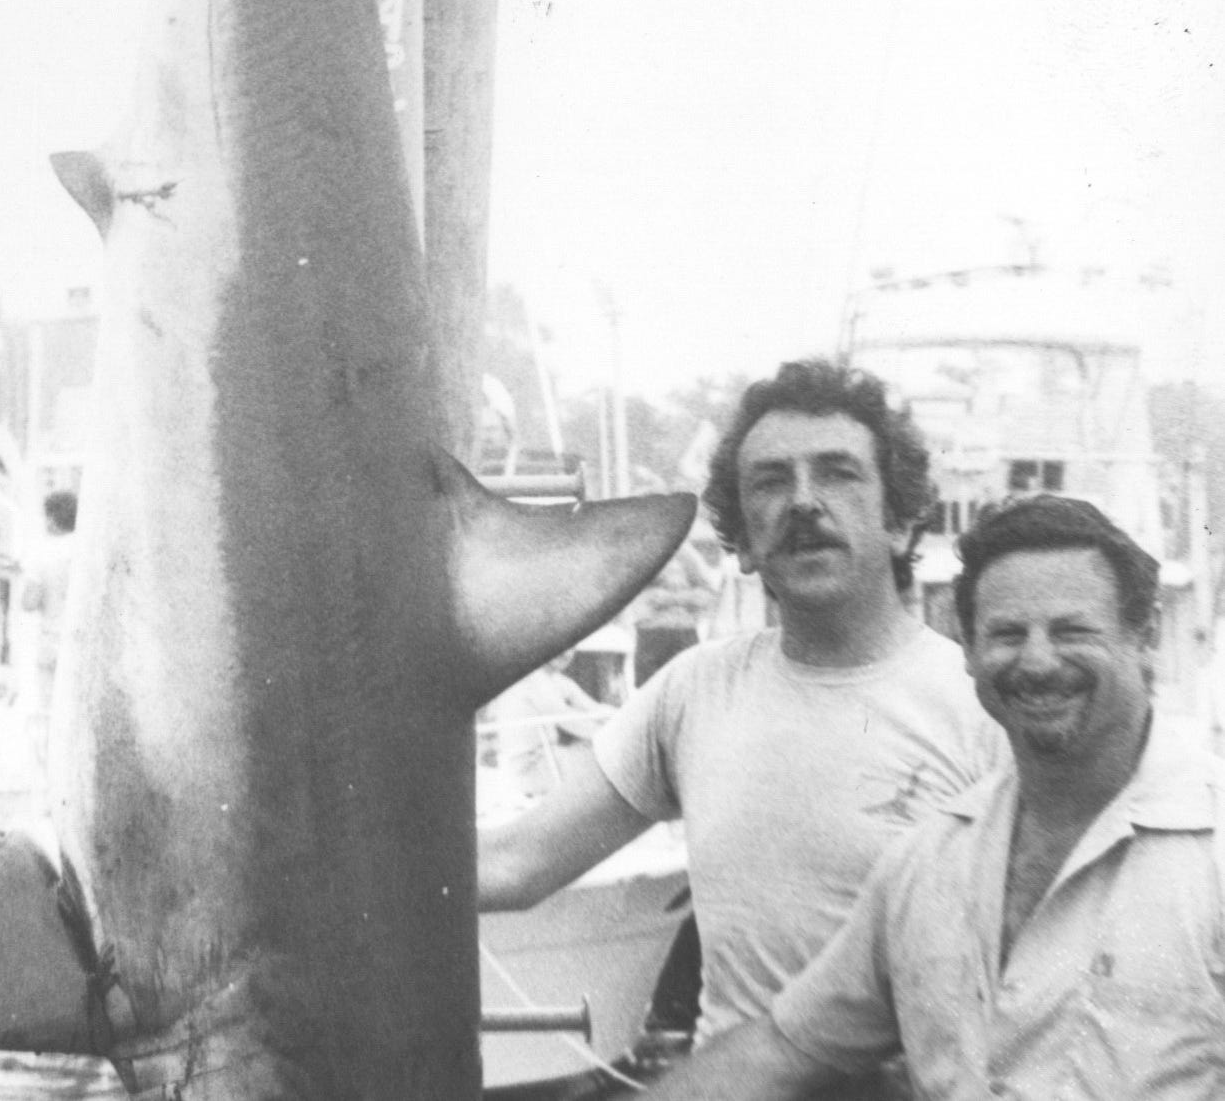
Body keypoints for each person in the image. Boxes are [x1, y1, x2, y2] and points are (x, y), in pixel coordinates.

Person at [478, 359, 1003, 1092]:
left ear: (900, 518)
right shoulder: (692, 691)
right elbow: (518, 864)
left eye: (839, 473)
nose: (804, 502)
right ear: (745, 542)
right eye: (770, 481)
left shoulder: (981, 706)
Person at [648, 494, 1225, 1099]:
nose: (1037, 660)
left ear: (1147, 635)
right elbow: (786, 1046)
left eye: (1072, 630)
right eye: (1006, 634)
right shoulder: (925, 865)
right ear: (969, 653)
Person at [18, 487, 76, 765]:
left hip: (52, 645)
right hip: (82, 643)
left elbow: (30, 601)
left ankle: (56, 766)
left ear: (52, 519)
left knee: (52, 711)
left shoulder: (42, 553)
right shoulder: (85, 549)